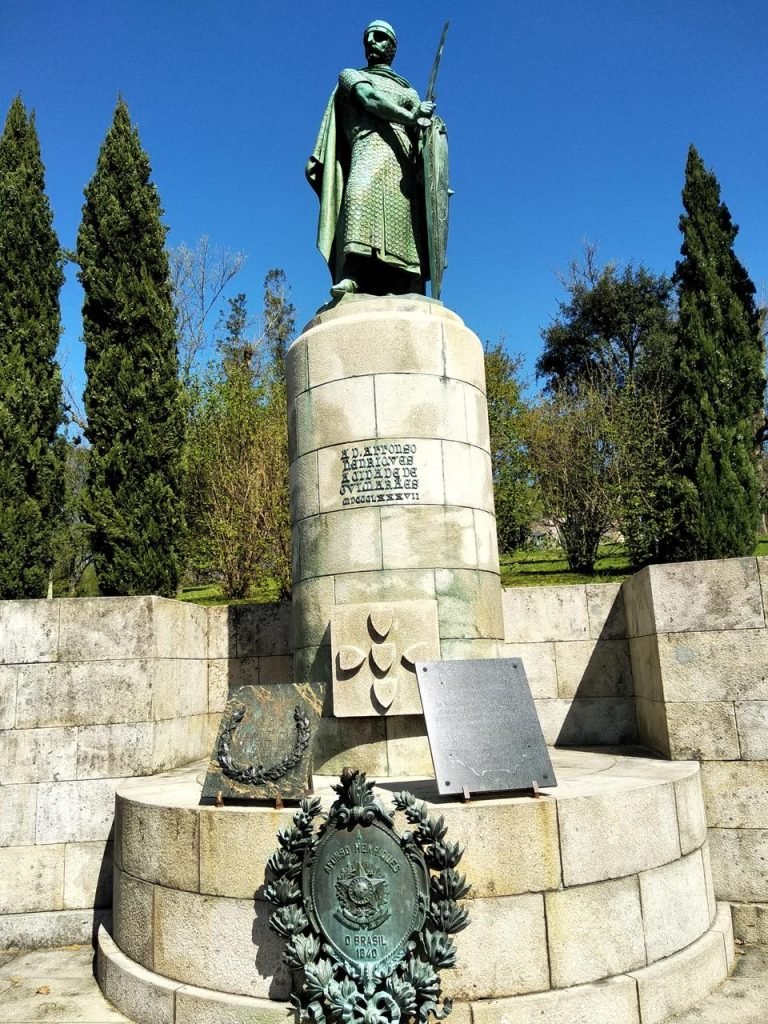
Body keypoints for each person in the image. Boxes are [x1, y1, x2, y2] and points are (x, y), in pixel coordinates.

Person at [306, 20, 436, 298]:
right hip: (367, 149)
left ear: (392, 46)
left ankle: (406, 282)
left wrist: (429, 142)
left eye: (379, 37)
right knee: (358, 198)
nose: (372, 42)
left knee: (404, 221)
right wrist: (413, 116)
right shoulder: (350, 75)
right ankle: (352, 274)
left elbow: (422, 137)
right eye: (368, 38)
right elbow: (370, 99)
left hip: (402, 163)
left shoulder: (408, 92)